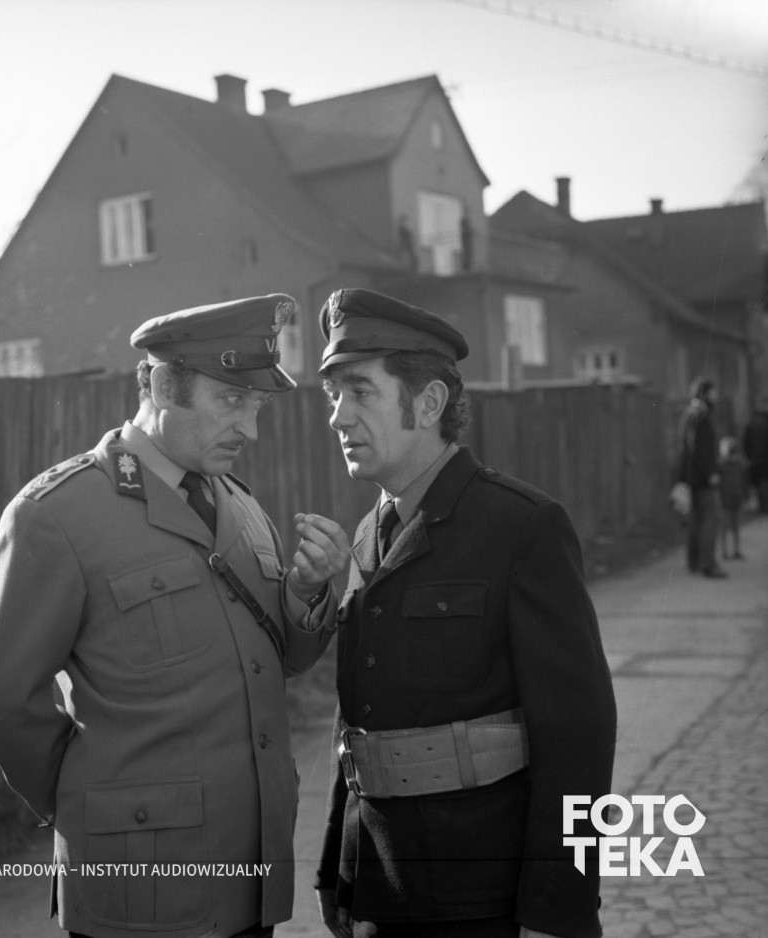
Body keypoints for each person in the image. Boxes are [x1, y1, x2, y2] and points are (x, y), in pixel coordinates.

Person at [0, 294, 351, 938]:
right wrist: (85, 797)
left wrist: (307, 592)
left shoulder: (240, 506)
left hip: (251, 880)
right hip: (140, 892)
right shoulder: (57, 515)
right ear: (165, 386)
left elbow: (277, 661)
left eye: (256, 405)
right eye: (232, 400)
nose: (250, 429)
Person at [313, 288, 617, 938]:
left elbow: (578, 739)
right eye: (332, 394)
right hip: (381, 889)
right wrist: (338, 870)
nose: (337, 416)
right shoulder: (369, 535)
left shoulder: (520, 526)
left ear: (428, 404)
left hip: (481, 898)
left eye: (359, 392)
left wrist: (557, 908)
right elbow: (358, 723)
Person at [678, 377, 726, 578]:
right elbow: (698, 449)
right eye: (714, 392)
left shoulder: (692, 412)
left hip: (694, 476)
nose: (716, 396)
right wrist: (710, 472)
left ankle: (695, 561)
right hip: (703, 477)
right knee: (711, 518)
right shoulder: (700, 414)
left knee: (698, 519)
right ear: (705, 393)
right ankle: (708, 564)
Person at [718, 435, 747, 560]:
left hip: (729, 497)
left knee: (730, 526)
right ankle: (731, 551)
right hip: (730, 497)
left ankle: (731, 551)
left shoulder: (723, 464)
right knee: (731, 526)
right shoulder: (738, 463)